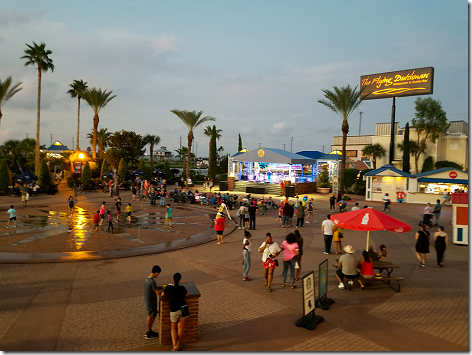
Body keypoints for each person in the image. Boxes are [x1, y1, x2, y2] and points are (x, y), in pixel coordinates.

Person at [161, 273, 189, 351]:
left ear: (172, 279)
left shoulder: (168, 288)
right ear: (180, 280)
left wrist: (164, 287)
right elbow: (187, 295)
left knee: (173, 328)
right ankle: (178, 344)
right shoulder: (182, 288)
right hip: (182, 309)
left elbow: (162, 294)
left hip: (173, 310)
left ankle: (174, 346)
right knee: (180, 328)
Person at [144, 265, 162, 340]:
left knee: (151, 316)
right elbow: (158, 293)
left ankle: (149, 331)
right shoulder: (152, 281)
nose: (158, 275)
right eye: (158, 274)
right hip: (151, 302)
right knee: (150, 317)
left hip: (148, 301)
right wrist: (163, 291)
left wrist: (157, 286)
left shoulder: (146, 279)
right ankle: (148, 332)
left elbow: (152, 288)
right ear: (156, 273)